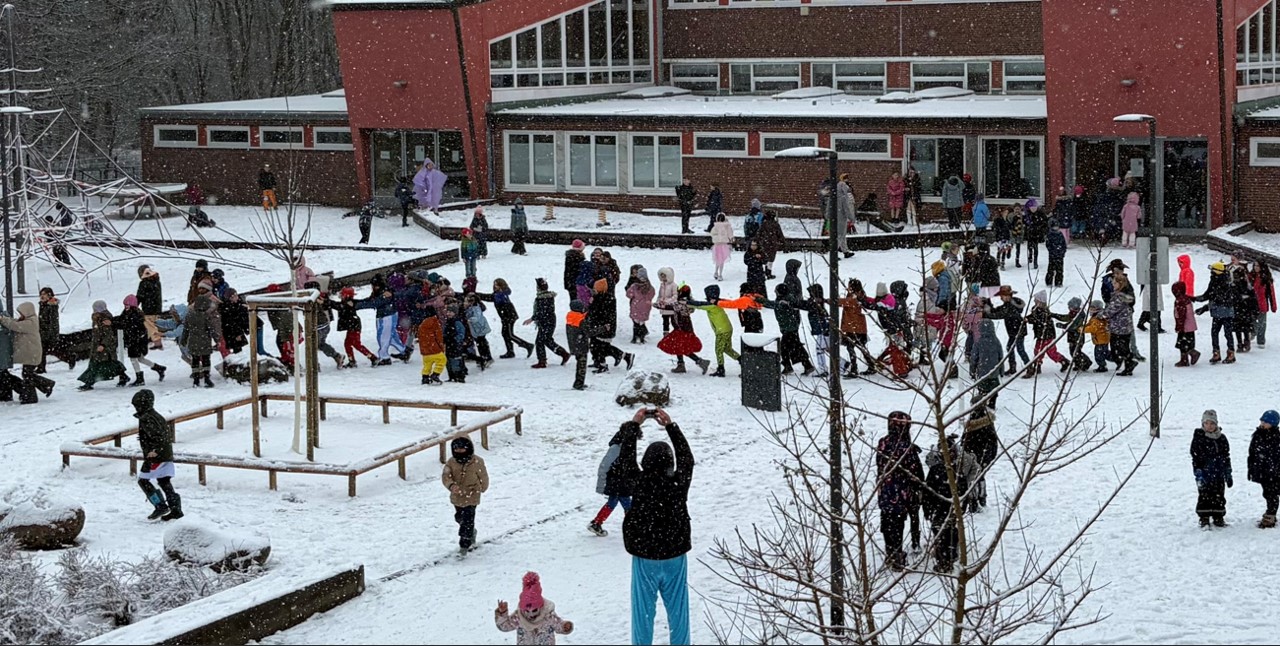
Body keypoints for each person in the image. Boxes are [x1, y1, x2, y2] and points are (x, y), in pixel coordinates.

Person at [617, 408, 693, 646]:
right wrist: (671, 426)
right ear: (669, 462)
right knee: (679, 614)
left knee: (642, 614)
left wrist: (633, 425)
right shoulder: (678, 484)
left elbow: (626, 459)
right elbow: (687, 458)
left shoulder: (638, 482)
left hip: (644, 555)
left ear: (646, 462)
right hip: (674, 555)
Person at [876, 411, 924, 571]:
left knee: (887, 521)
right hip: (902, 493)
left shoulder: (882, 443)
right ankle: (898, 557)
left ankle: (891, 553)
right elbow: (916, 471)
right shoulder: (907, 448)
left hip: (885, 490)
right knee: (898, 523)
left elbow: (880, 464)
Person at [922, 435, 971, 572]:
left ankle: (946, 559)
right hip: (939, 507)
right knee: (942, 531)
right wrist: (927, 508)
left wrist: (962, 507)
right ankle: (946, 556)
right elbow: (928, 491)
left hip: (948, 508)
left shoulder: (956, 471)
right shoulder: (936, 470)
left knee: (948, 531)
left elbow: (964, 491)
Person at [133, 389, 183, 521]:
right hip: (165, 453)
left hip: (155, 456)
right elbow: (162, 434)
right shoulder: (155, 415)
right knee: (164, 481)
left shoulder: (147, 418)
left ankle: (160, 505)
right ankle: (176, 510)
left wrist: (153, 449)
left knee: (143, 481)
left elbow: (158, 436)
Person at [494, 572, 574, 645]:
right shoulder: (519, 617)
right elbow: (504, 626)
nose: (531, 613)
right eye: (527, 610)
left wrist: (565, 626)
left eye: (534, 610)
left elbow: (558, 625)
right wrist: (502, 613)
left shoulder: (548, 616)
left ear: (540, 606)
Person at [0, 302, 55, 404]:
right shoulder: (28, 321)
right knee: (27, 375)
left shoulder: (31, 322)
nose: (20, 316)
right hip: (30, 354)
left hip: (32, 354)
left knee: (28, 374)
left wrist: (2, 319)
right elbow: (15, 323)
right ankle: (31, 395)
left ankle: (45, 386)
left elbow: (15, 325)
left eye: (21, 313)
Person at [442, 436, 489, 552]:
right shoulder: (451, 462)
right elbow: (446, 476)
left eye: (462, 449)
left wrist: (483, 487)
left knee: (468, 519)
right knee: (459, 517)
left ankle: (464, 544)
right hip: (457, 495)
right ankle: (471, 531)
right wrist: (452, 486)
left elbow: (483, 475)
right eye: (457, 449)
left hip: (472, 494)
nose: (459, 451)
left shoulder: (477, 461)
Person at [589, 424, 636, 535]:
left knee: (613, 502)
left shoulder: (625, 446)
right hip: (618, 482)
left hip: (620, 481)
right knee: (626, 504)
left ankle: (597, 523)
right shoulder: (616, 448)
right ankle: (632, 527)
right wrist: (601, 485)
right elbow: (604, 466)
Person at [1191, 410, 1232, 528]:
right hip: (1205, 473)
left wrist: (1228, 472)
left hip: (1219, 473)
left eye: (1212, 423)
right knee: (1204, 495)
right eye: (1207, 423)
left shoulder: (1221, 438)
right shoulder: (1199, 438)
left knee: (1219, 495)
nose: (1209, 426)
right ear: (1203, 424)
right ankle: (1204, 517)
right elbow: (1195, 456)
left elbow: (1226, 456)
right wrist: (1198, 472)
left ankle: (1218, 516)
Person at [689, 285, 741, 378]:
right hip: (727, 329)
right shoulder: (718, 303)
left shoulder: (712, 305)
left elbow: (699, 305)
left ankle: (721, 369)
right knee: (727, 349)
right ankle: (742, 360)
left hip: (722, 331)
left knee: (718, 350)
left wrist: (687, 302)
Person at [657, 286, 710, 374]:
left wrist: (657, 304)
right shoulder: (688, 303)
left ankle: (696, 362)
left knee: (680, 347)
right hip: (685, 329)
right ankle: (689, 363)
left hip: (681, 329)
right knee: (680, 346)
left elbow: (668, 307)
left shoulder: (680, 303)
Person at [77, 301, 128, 391]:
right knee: (103, 364)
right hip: (99, 346)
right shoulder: (98, 318)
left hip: (104, 347)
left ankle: (89, 383)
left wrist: (103, 345)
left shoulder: (103, 318)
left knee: (97, 365)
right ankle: (123, 376)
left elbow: (108, 335)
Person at [586, 279, 634, 373]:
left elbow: (597, 313)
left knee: (599, 346)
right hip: (600, 326)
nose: (593, 291)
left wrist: (592, 304)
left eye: (595, 289)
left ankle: (605, 363)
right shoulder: (602, 298)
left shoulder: (603, 299)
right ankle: (603, 360)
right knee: (596, 345)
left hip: (603, 327)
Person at [118, 295, 166, 387]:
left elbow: (135, 328)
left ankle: (140, 378)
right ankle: (158, 368)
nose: (126, 307)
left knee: (134, 358)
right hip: (135, 340)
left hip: (137, 341)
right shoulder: (127, 313)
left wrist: (133, 338)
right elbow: (121, 321)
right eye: (125, 305)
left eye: (127, 305)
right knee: (140, 358)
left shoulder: (136, 315)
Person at [1194, 261, 1236, 364]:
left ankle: (1225, 353)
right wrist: (1196, 299)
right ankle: (1223, 353)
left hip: (1223, 312)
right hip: (1221, 312)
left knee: (1223, 333)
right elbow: (1209, 295)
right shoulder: (1217, 282)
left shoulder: (1224, 284)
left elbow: (1210, 297)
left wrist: (1201, 304)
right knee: (1221, 333)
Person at [524, 278, 571, 369]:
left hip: (546, 322)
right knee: (547, 340)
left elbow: (541, 312)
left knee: (540, 341)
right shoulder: (547, 296)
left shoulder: (542, 298)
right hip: (548, 321)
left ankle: (543, 361)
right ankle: (563, 354)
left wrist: (532, 319)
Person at [1024, 290, 1070, 376]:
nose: (1034, 301)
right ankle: (1038, 365)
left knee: (1050, 352)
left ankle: (1063, 361)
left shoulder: (1044, 311)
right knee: (1038, 350)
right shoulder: (1036, 309)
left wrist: (1029, 320)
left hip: (1047, 335)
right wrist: (1027, 318)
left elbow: (1038, 320)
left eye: (1036, 300)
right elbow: (1034, 317)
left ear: (1040, 302)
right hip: (1040, 335)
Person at [986, 286, 1030, 375]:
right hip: (1013, 331)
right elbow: (998, 310)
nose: (1001, 298)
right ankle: (1012, 367)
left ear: (1008, 296)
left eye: (1002, 296)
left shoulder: (1010, 306)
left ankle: (1029, 367)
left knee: (1020, 349)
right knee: (1010, 347)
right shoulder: (1009, 304)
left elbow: (999, 314)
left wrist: (987, 314)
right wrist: (989, 306)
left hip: (1018, 330)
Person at [1248, 410, 1280, 528]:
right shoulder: (1257, 435)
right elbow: (1252, 454)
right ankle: (1271, 512)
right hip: (1262, 471)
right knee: (1268, 493)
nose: (1262, 423)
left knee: (1272, 494)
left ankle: (1271, 515)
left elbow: (1276, 456)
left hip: (1274, 472)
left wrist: (1274, 468)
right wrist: (1251, 469)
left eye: (1266, 422)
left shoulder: (1276, 438)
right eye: (1262, 421)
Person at [1104, 274, 1139, 376]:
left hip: (1119, 328)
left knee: (1119, 348)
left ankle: (1129, 362)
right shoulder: (1124, 297)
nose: (1113, 284)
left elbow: (1111, 310)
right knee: (1122, 347)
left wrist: (1100, 314)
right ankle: (1128, 364)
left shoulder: (1119, 297)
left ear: (1120, 284)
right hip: (1124, 327)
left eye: (1114, 283)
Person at [179, 296, 218, 388]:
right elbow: (211, 329)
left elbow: (186, 329)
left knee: (195, 360)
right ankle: (206, 379)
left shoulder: (189, 315)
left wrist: (183, 340)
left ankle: (196, 380)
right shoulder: (206, 316)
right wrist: (216, 339)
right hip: (205, 341)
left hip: (193, 341)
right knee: (206, 360)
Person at [36, 288, 69, 373]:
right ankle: (41, 367)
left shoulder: (52, 306)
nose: (41, 296)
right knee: (43, 350)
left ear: (49, 295)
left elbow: (53, 321)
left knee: (48, 350)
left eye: (44, 294)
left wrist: (51, 333)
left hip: (48, 332)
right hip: (43, 332)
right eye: (41, 294)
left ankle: (69, 358)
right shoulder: (43, 305)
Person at [1172, 280, 1201, 366]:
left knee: (1183, 343)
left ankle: (1187, 357)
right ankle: (1187, 357)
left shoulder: (1180, 301)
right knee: (1187, 342)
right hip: (1190, 326)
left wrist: (1179, 326)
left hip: (1185, 326)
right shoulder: (1185, 298)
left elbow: (1181, 315)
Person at [137, 265, 164, 350]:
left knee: (150, 326)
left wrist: (134, 305)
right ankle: (151, 339)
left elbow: (140, 296)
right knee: (154, 325)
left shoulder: (144, 283)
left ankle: (157, 342)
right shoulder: (156, 281)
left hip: (148, 308)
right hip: (157, 308)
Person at [417, 307, 446, 385]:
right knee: (442, 360)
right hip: (434, 348)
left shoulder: (422, 324)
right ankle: (435, 375)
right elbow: (439, 337)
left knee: (427, 364)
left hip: (425, 350)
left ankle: (425, 377)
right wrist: (441, 347)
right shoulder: (435, 322)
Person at [626, 267, 656, 344]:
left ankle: (635, 337)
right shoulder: (650, 287)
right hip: (645, 307)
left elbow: (629, 294)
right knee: (641, 322)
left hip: (636, 306)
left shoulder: (635, 286)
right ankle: (641, 337)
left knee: (636, 323)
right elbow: (652, 294)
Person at [565, 300, 590, 390]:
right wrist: (603, 328)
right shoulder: (581, 320)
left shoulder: (570, 316)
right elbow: (589, 332)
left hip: (574, 344)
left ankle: (578, 382)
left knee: (579, 363)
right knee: (581, 365)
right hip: (582, 345)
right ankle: (579, 383)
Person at [1083, 300, 1111, 372]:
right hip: (1101, 339)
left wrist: (1082, 329)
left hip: (1101, 340)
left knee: (1098, 355)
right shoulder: (1095, 317)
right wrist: (1084, 326)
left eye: (1092, 309)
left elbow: (1093, 328)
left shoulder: (1097, 319)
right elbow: (1089, 325)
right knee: (1105, 353)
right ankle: (1117, 358)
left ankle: (1102, 366)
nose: (1090, 310)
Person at [755, 211, 785, 280]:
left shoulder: (764, 224)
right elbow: (780, 234)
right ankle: (768, 272)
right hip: (773, 243)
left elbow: (759, 233)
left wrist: (757, 241)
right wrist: (783, 242)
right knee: (771, 259)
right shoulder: (775, 224)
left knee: (765, 257)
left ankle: (765, 271)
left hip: (764, 243)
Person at [1253, 261, 1276, 349]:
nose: (1256, 267)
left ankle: (1261, 340)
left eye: (1258, 266)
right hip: (1251, 304)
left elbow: (1271, 294)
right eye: (1255, 265)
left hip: (1262, 304)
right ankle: (1253, 332)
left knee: (1262, 323)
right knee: (1252, 321)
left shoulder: (1266, 279)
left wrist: (1273, 306)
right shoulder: (1252, 276)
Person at [1023, 199, 1047, 270]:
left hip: (1037, 233)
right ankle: (1030, 255)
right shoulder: (1027, 214)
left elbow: (1045, 222)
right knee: (1029, 246)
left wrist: (1041, 227)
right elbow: (1024, 222)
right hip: (1029, 233)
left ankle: (1035, 261)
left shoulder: (1040, 214)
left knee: (1036, 247)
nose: (1033, 209)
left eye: (1035, 207)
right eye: (1032, 208)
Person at [709, 213, 734, 281]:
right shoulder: (727, 226)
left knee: (717, 259)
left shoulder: (715, 226)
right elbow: (730, 234)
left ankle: (716, 272)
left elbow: (712, 233)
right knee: (722, 260)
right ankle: (720, 274)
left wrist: (716, 237)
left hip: (717, 245)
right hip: (724, 245)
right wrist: (731, 239)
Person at [656, 267, 678, 333]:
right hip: (664, 307)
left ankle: (677, 333)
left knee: (674, 321)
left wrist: (667, 301)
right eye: (662, 277)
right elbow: (660, 295)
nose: (663, 278)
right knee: (665, 321)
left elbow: (675, 296)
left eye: (664, 276)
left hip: (671, 306)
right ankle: (666, 333)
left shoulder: (674, 285)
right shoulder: (662, 285)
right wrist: (658, 301)